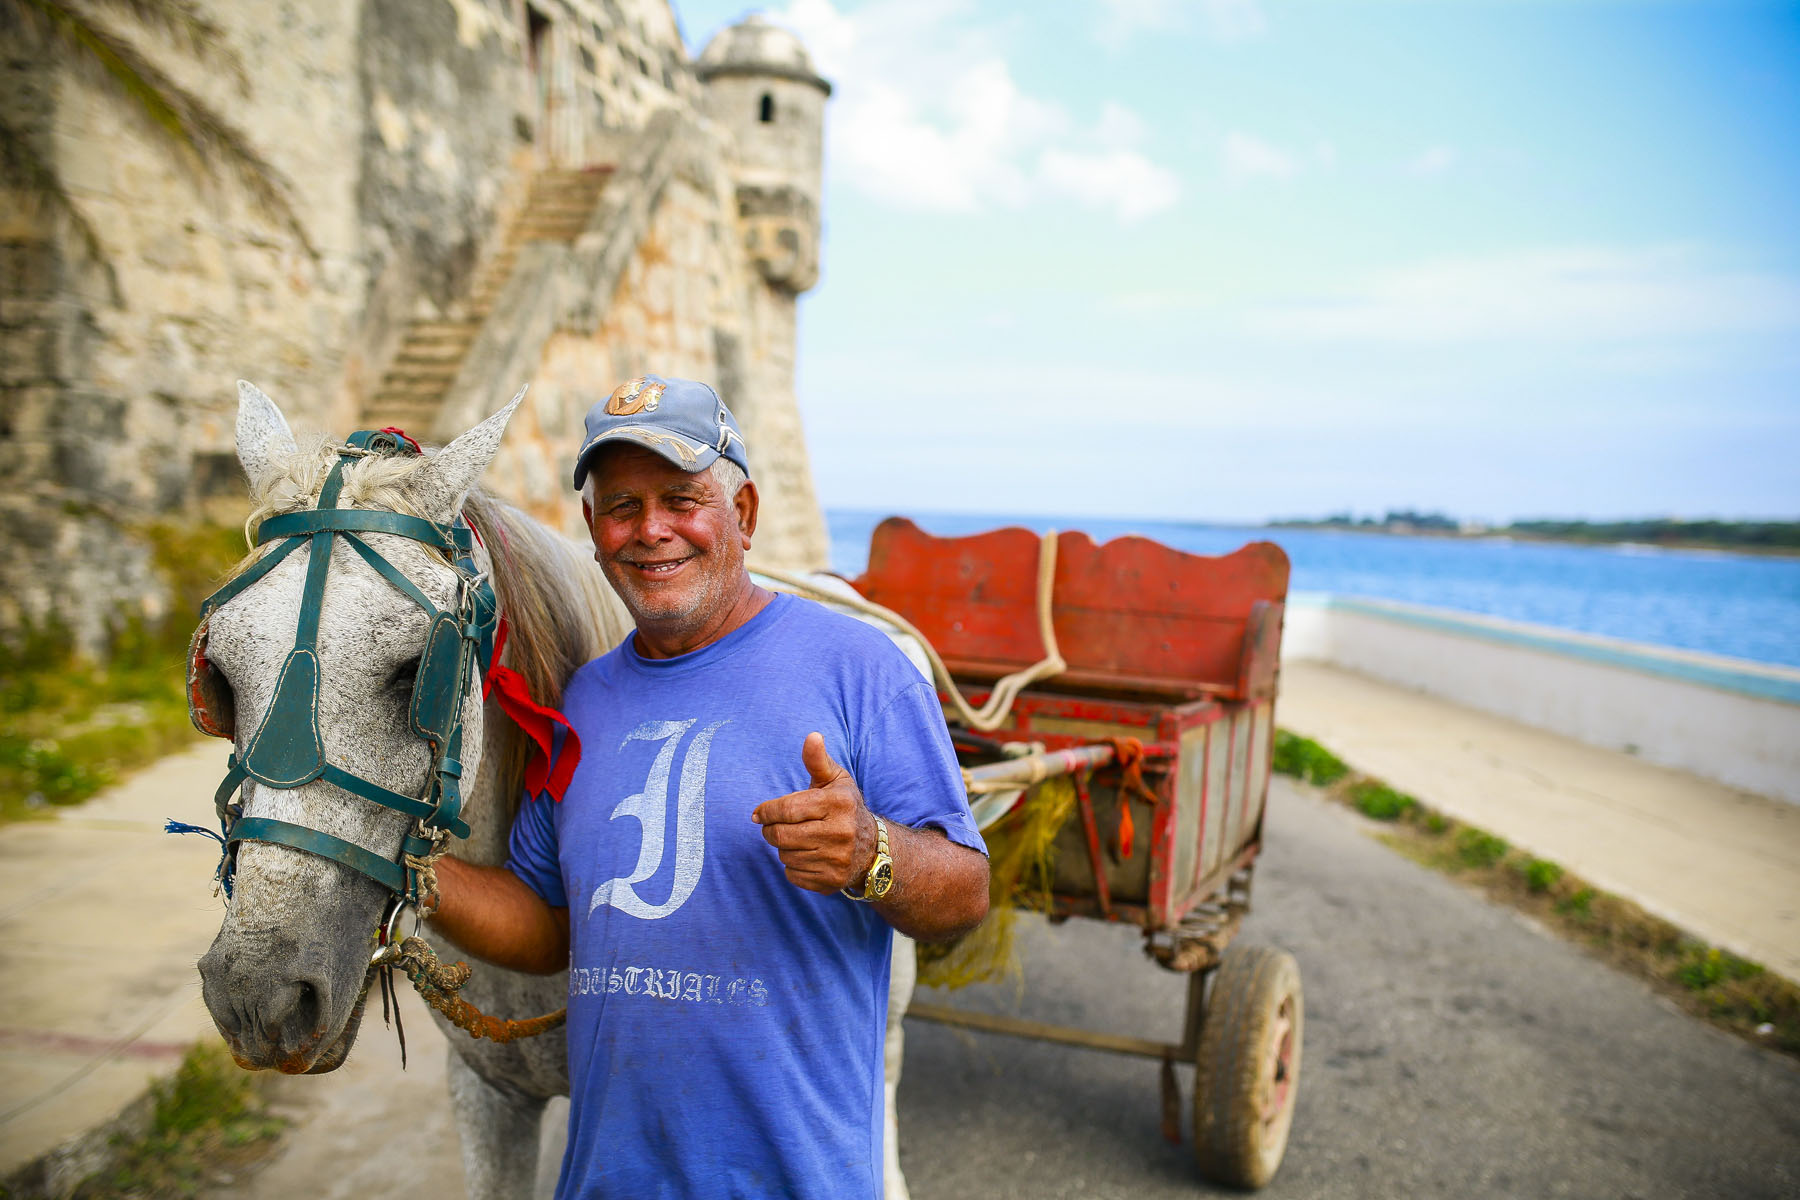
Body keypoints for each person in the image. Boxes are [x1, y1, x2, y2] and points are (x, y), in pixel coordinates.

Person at [430, 374, 990, 1200]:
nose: (651, 530)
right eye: (621, 506)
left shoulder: (860, 669)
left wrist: (873, 854)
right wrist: (404, 870)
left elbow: (965, 894)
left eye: (682, 499)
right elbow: (548, 926)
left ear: (746, 515)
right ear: (593, 528)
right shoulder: (583, 701)